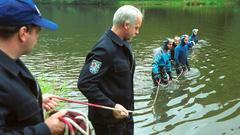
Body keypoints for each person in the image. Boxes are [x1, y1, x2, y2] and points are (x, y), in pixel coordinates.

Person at [0, 0, 67, 135]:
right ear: (23, 33)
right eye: (38, 31)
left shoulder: (11, 60)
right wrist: (46, 129)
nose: (38, 37)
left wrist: (35, 101)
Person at [77, 5, 143, 135]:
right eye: (136, 28)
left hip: (125, 115)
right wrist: (111, 106)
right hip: (108, 122)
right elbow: (85, 83)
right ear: (126, 25)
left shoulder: (124, 43)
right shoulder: (103, 50)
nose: (137, 32)